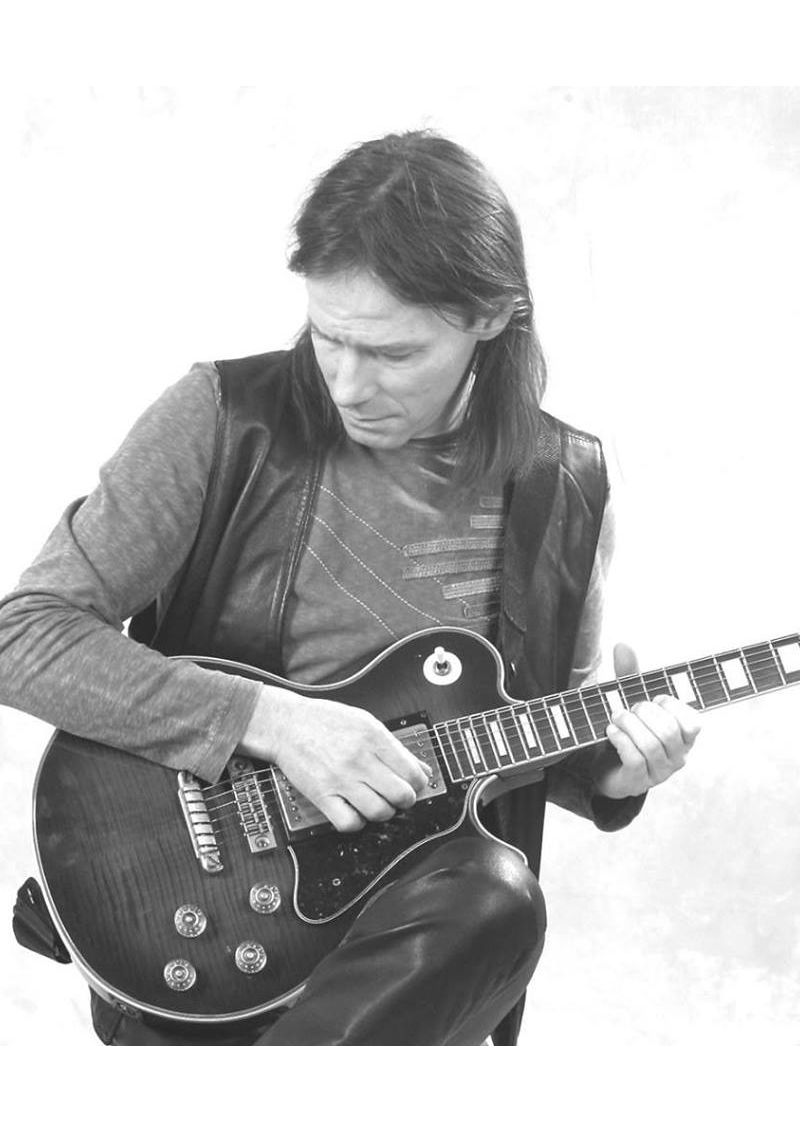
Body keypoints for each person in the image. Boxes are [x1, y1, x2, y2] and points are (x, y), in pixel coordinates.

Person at [0, 130, 701, 1046]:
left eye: (393, 354)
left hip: (406, 961)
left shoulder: (568, 484)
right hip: (208, 912)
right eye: (328, 338)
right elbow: (23, 636)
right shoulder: (222, 417)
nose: (346, 383)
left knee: (500, 899)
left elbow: (521, 733)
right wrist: (273, 722)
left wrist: (612, 769)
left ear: (492, 317)